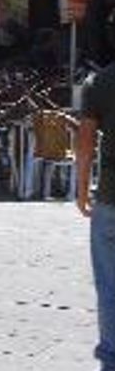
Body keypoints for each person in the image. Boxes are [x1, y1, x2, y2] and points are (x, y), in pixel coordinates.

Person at [78, 31, 115, 371]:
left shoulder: (98, 83)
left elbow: (85, 142)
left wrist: (79, 188)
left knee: (108, 284)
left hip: (109, 199)